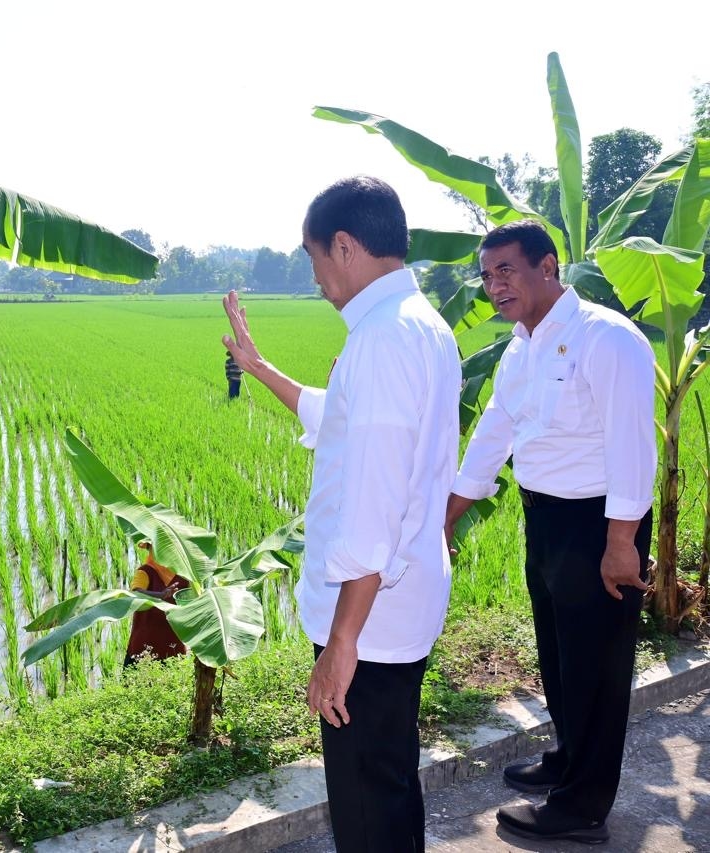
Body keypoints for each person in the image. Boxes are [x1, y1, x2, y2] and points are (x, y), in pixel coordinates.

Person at [223, 176, 461, 852]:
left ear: (346, 246)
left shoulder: (384, 339)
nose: (316, 276)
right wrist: (258, 366)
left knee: (365, 805)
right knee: (387, 781)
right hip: (395, 608)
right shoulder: (415, 324)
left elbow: (372, 505)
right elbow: (338, 417)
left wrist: (341, 643)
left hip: (370, 624)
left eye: (314, 256)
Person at [444, 220, 655, 846]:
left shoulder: (605, 337)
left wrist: (621, 543)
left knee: (597, 668)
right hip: (545, 520)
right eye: (487, 276)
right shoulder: (521, 346)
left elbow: (632, 446)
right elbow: (496, 430)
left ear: (548, 267)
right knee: (561, 657)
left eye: (506, 270)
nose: (494, 286)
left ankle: (583, 808)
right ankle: (568, 759)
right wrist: (450, 512)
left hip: (599, 525)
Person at [124, 540, 190, 667]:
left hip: (173, 643)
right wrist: (160, 595)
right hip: (145, 644)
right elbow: (135, 593)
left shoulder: (183, 574)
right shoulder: (145, 572)